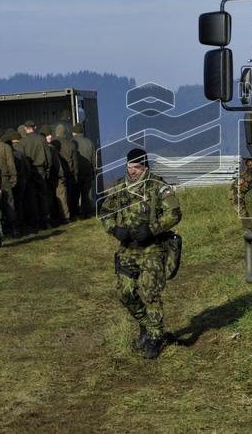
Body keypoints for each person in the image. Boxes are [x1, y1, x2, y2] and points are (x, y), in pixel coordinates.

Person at [100, 148, 182, 359]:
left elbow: (174, 213)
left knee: (150, 292)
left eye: (137, 167)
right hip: (128, 249)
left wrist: (152, 229)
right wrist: (114, 230)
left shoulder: (157, 186)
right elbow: (106, 212)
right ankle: (145, 324)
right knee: (124, 292)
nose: (133, 171)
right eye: (130, 167)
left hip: (152, 248)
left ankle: (155, 337)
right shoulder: (120, 186)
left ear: (145, 166)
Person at [20, 120, 50, 231]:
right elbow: (48, 156)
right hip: (41, 169)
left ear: (25, 128)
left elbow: (22, 159)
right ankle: (46, 221)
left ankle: (35, 222)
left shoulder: (22, 141)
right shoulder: (41, 139)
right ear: (35, 127)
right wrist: (48, 169)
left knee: (31, 197)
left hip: (29, 171)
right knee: (43, 195)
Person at [71, 123, 96, 218]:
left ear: (73, 132)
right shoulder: (89, 142)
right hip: (87, 171)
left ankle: (77, 212)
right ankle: (87, 212)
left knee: (75, 193)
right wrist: (94, 170)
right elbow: (94, 158)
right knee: (87, 193)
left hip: (76, 172)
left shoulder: (71, 142)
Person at [6, 130, 29, 236]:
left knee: (11, 204)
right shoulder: (19, 153)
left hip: (10, 181)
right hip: (21, 180)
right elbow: (27, 167)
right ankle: (21, 223)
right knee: (19, 203)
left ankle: (14, 226)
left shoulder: (7, 155)